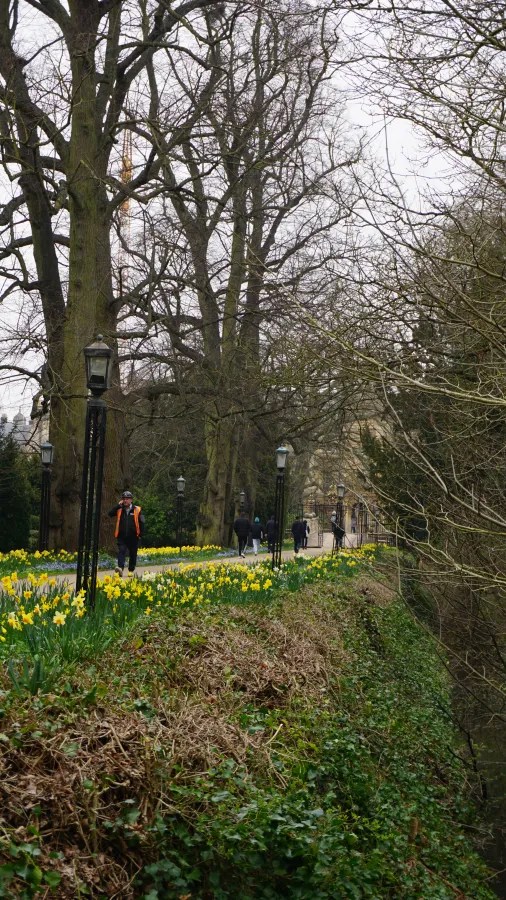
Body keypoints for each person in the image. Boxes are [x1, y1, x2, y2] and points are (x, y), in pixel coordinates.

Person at [108, 491, 145, 577]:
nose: (125, 500)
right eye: (124, 499)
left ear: (131, 500)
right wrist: (118, 505)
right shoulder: (119, 509)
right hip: (122, 536)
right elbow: (110, 514)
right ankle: (120, 568)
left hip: (133, 536)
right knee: (121, 551)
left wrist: (141, 535)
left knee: (133, 553)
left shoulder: (137, 510)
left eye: (127, 499)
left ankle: (131, 570)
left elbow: (142, 522)